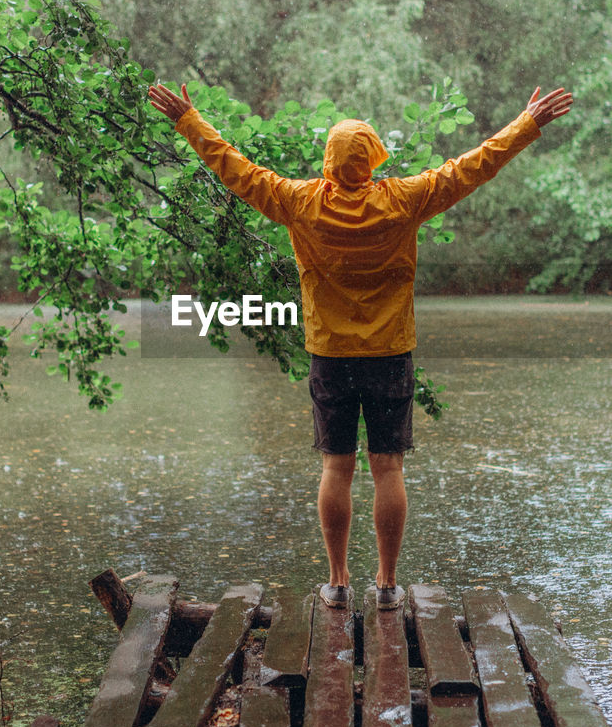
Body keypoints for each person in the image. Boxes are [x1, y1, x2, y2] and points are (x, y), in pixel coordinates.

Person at [147, 82, 573, 610]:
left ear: (328, 160)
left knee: (336, 467)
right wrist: (527, 122)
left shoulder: (300, 203)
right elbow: (475, 165)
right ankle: (388, 586)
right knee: (388, 467)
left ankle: (339, 582)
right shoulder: (404, 199)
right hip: (391, 353)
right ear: (371, 158)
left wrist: (188, 119)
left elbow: (235, 168)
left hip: (331, 355)